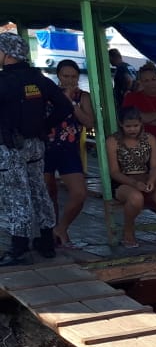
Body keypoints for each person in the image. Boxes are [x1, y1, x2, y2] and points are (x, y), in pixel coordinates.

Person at [0, 32, 70, 265]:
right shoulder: (39, 78)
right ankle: (46, 242)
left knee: (15, 195)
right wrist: (44, 126)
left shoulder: (4, 81)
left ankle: (18, 248)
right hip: (36, 145)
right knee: (39, 190)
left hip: (11, 148)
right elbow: (64, 106)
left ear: (7, 54)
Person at [106, 107, 156, 247]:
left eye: (135, 125)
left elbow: (154, 166)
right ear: (121, 124)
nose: (132, 129)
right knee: (136, 198)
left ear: (141, 123)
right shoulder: (113, 141)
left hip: (147, 178)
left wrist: (152, 180)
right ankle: (128, 230)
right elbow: (115, 172)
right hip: (123, 181)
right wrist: (134, 183)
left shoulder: (150, 139)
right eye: (128, 126)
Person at [44, 58, 94, 249]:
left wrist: (70, 103)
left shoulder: (83, 97)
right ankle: (51, 233)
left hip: (69, 148)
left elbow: (89, 123)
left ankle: (62, 227)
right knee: (50, 193)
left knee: (79, 193)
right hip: (47, 147)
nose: (70, 80)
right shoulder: (48, 94)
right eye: (66, 76)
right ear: (58, 76)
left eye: (74, 76)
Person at [122, 62, 156, 146]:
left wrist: (145, 120)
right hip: (139, 143)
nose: (151, 83)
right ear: (141, 82)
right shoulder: (131, 97)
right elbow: (130, 120)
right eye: (146, 80)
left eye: (153, 79)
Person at [109, 48, 136, 113]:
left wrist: (126, 92)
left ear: (112, 58)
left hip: (124, 101)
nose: (109, 61)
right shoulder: (129, 66)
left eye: (109, 59)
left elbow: (129, 80)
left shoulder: (120, 68)